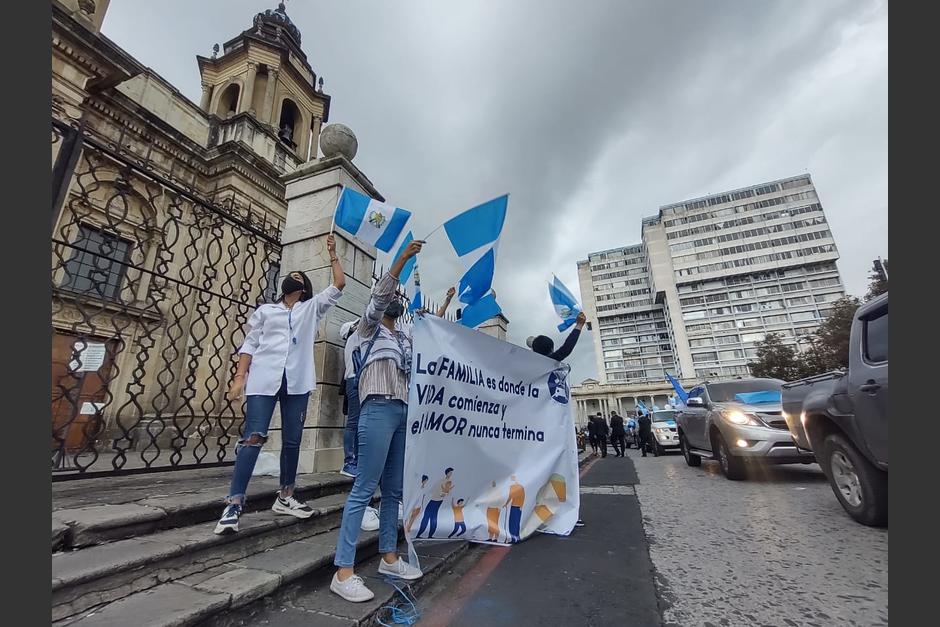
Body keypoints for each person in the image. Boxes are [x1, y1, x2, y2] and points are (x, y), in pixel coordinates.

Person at [215, 234, 345, 535]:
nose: (295, 279)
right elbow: (249, 345)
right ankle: (234, 503)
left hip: (297, 382)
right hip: (263, 379)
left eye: (299, 278)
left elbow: (338, 284)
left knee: (292, 440)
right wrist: (239, 379)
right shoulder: (265, 311)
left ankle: (286, 496)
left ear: (304, 289)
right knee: (254, 437)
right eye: (292, 276)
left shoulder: (311, 308)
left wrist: (333, 254)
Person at [330, 239, 424, 603]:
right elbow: (380, 296)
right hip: (377, 409)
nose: (395, 303)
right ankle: (343, 570)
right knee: (364, 488)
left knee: (393, 492)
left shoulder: (404, 335)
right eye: (392, 300)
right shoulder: (366, 329)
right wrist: (401, 260)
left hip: (402, 410)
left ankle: (389, 557)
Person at [415, 467, 454, 539]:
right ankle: (420, 534)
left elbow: (447, 492)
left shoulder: (448, 481)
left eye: (451, 473)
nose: (451, 474)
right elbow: (433, 490)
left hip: (437, 501)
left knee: (431, 517)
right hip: (434, 500)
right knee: (428, 517)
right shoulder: (441, 480)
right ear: (447, 473)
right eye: (450, 473)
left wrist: (443, 494)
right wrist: (441, 494)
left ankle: (428, 535)